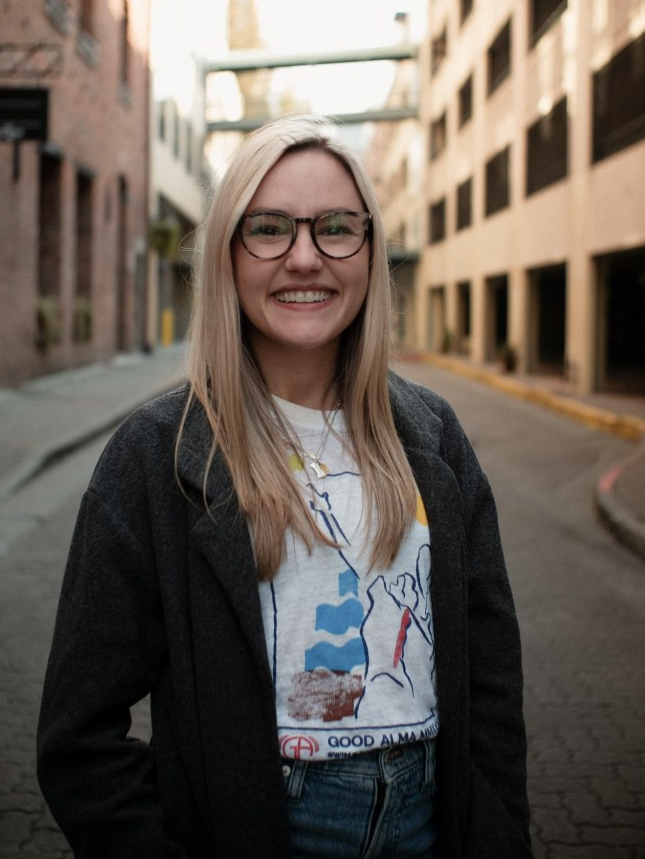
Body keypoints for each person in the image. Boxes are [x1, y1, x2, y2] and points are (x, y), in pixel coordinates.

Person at [37, 114, 532, 858]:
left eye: (336, 226)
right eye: (268, 228)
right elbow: (78, 737)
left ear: (369, 249)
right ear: (228, 255)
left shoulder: (435, 438)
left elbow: (490, 684)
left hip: (434, 821)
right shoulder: (155, 455)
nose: (305, 257)